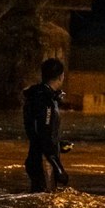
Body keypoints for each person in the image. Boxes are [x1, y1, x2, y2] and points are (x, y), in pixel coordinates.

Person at [22, 58, 68, 192]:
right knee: (46, 204)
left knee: (39, 200)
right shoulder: (46, 100)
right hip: (44, 160)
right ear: (61, 76)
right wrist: (58, 167)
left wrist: (58, 144)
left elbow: (38, 130)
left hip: (36, 156)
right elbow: (44, 134)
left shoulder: (36, 96)